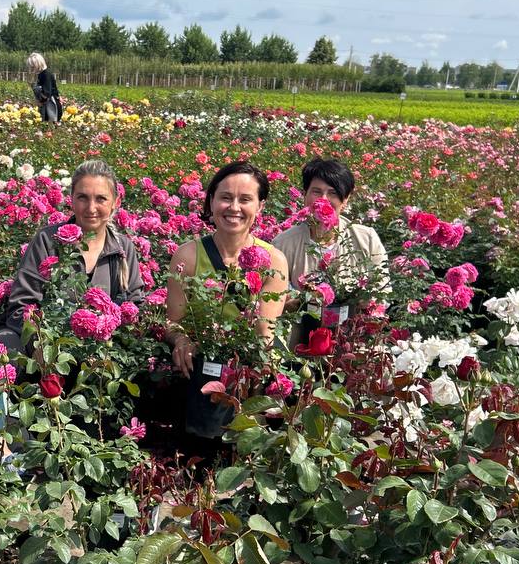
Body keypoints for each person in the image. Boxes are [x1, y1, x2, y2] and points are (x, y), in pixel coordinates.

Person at [164, 161, 289, 438]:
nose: (234, 207)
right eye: (225, 197)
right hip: (199, 373)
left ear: (260, 206)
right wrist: (181, 340)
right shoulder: (189, 256)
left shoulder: (273, 261)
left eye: (245, 199)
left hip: (248, 375)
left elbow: (264, 331)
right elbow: (173, 322)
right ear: (211, 202)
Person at [0, 159, 144, 354]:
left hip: (103, 354)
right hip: (49, 350)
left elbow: (133, 309)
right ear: (71, 200)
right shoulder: (48, 241)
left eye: (101, 199)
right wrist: (45, 346)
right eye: (83, 197)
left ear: (115, 203)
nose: (91, 208)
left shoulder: (123, 249)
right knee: (5, 342)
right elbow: (21, 307)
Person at [272, 157, 389, 350]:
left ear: (346, 199)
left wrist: (362, 301)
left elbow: (382, 291)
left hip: (353, 341)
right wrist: (298, 301)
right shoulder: (284, 243)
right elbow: (274, 299)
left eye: (333, 193)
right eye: (316, 192)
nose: (324, 200)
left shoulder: (366, 239)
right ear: (305, 195)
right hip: (299, 343)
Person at [27, 51, 62, 123]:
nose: (31, 68)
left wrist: (40, 102)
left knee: (49, 124)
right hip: (46, 104)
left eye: (32, 66)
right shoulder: (41, 74)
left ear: (37, 64)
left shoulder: (46, 75)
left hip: (51, 106)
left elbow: (47, 93)